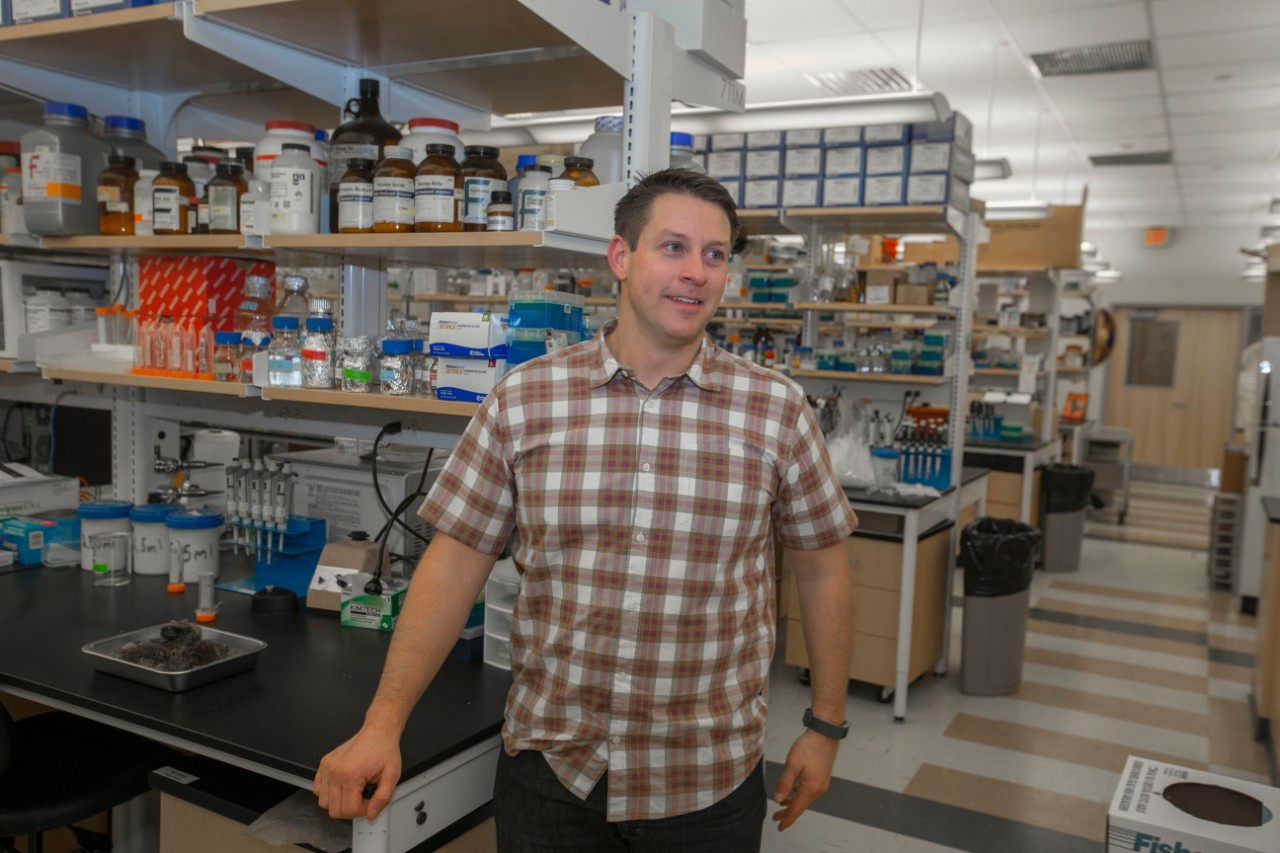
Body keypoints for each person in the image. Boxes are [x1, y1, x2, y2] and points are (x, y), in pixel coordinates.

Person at [314, 168, 857, 850]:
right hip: (552, 774)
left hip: (706, 781)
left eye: (715, 255)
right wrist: (382, 724)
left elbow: (823, 570)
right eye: (673, 247)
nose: (697, 272)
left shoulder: (776, 410)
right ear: (621, 258)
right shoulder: (526, 399)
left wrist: (826, 724)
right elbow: (453, 566)